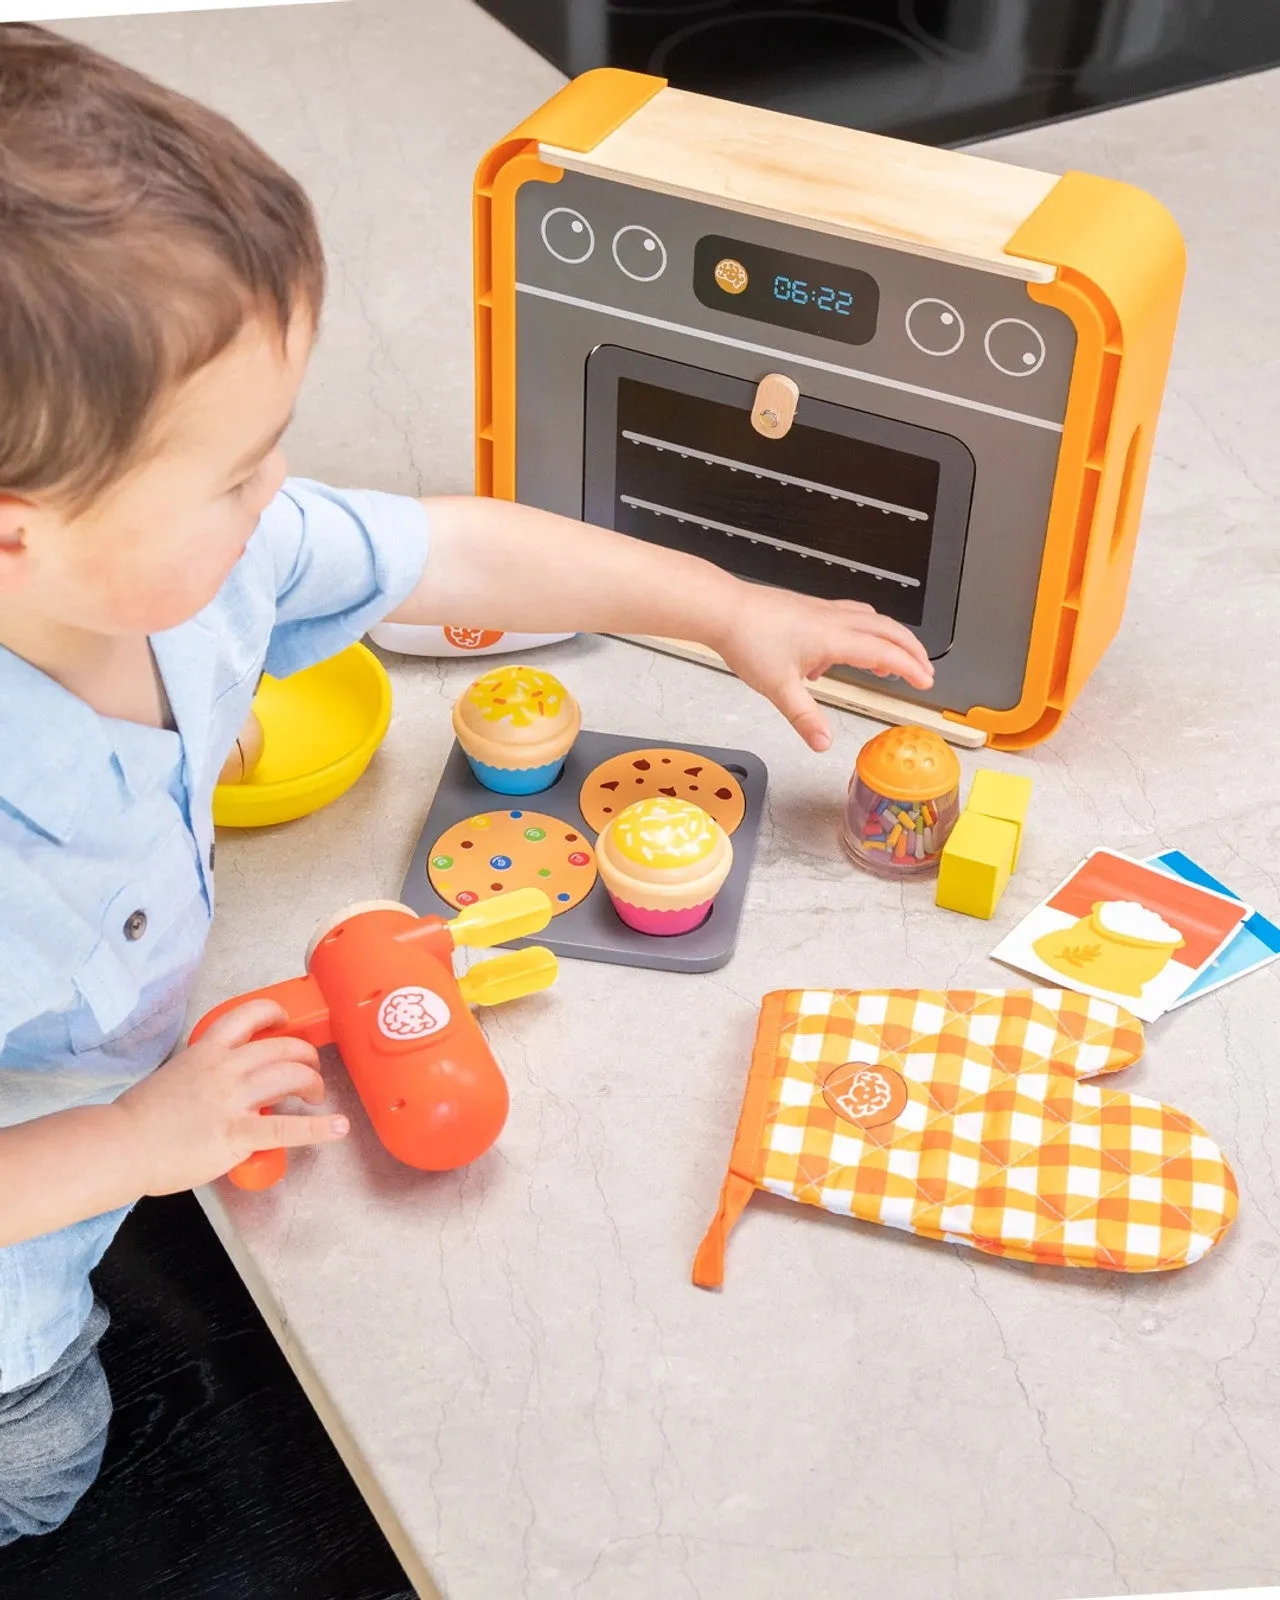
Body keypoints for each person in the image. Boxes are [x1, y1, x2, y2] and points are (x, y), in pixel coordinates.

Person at [0, 22, 933, 1542]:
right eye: (232, 475)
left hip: (102, 1123)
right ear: (17, 532)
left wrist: (721, 605)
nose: (277, 498)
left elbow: (455, 546)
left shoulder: (201, 570)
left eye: (273, 448)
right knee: (62, 1477)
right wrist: (128, 1144)